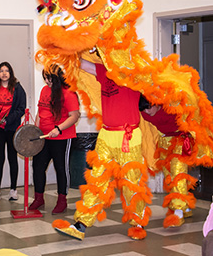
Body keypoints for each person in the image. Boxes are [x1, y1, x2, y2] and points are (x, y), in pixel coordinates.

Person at [53, 59, 152, 240]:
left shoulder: (132, 71)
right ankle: (80, 225)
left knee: (132, 183)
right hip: (106, 135)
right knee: (97, 180)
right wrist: (65, 48)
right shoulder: (103, 70)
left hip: (128, 137)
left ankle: (138, 223)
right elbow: (81, 63)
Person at [139, 94, 197, 228]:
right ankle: (185, 205)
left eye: (149, 108)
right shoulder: (144, 114)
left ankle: (178, 211)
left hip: (180, 140)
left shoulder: (171, 105)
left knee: (178, 173)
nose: (147, 112)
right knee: (169, 177)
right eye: (144, 109)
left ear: (157, 103)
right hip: (164, 142)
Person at [29, 64, 80, 214]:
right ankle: (39, 198)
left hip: (62, 137)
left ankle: (62, 200)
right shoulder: (44, 90)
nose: (47, 81)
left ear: (57, 78)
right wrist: (35, 129)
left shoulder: (68, 93)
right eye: (45, 78)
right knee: (38, 167)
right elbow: (40, 111)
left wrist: (58, 129)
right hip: (43, 137)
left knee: (61, 168)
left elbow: (74, 116)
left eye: (49, 78)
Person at [0, 61, 26, 202]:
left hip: (13, 129)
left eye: (7, 70)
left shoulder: (18, 89)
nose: (4, 73)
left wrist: (10, 119)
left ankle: (13, 189)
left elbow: (21, 109)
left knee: (13, 158)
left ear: (11, 73)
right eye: (1, 71)